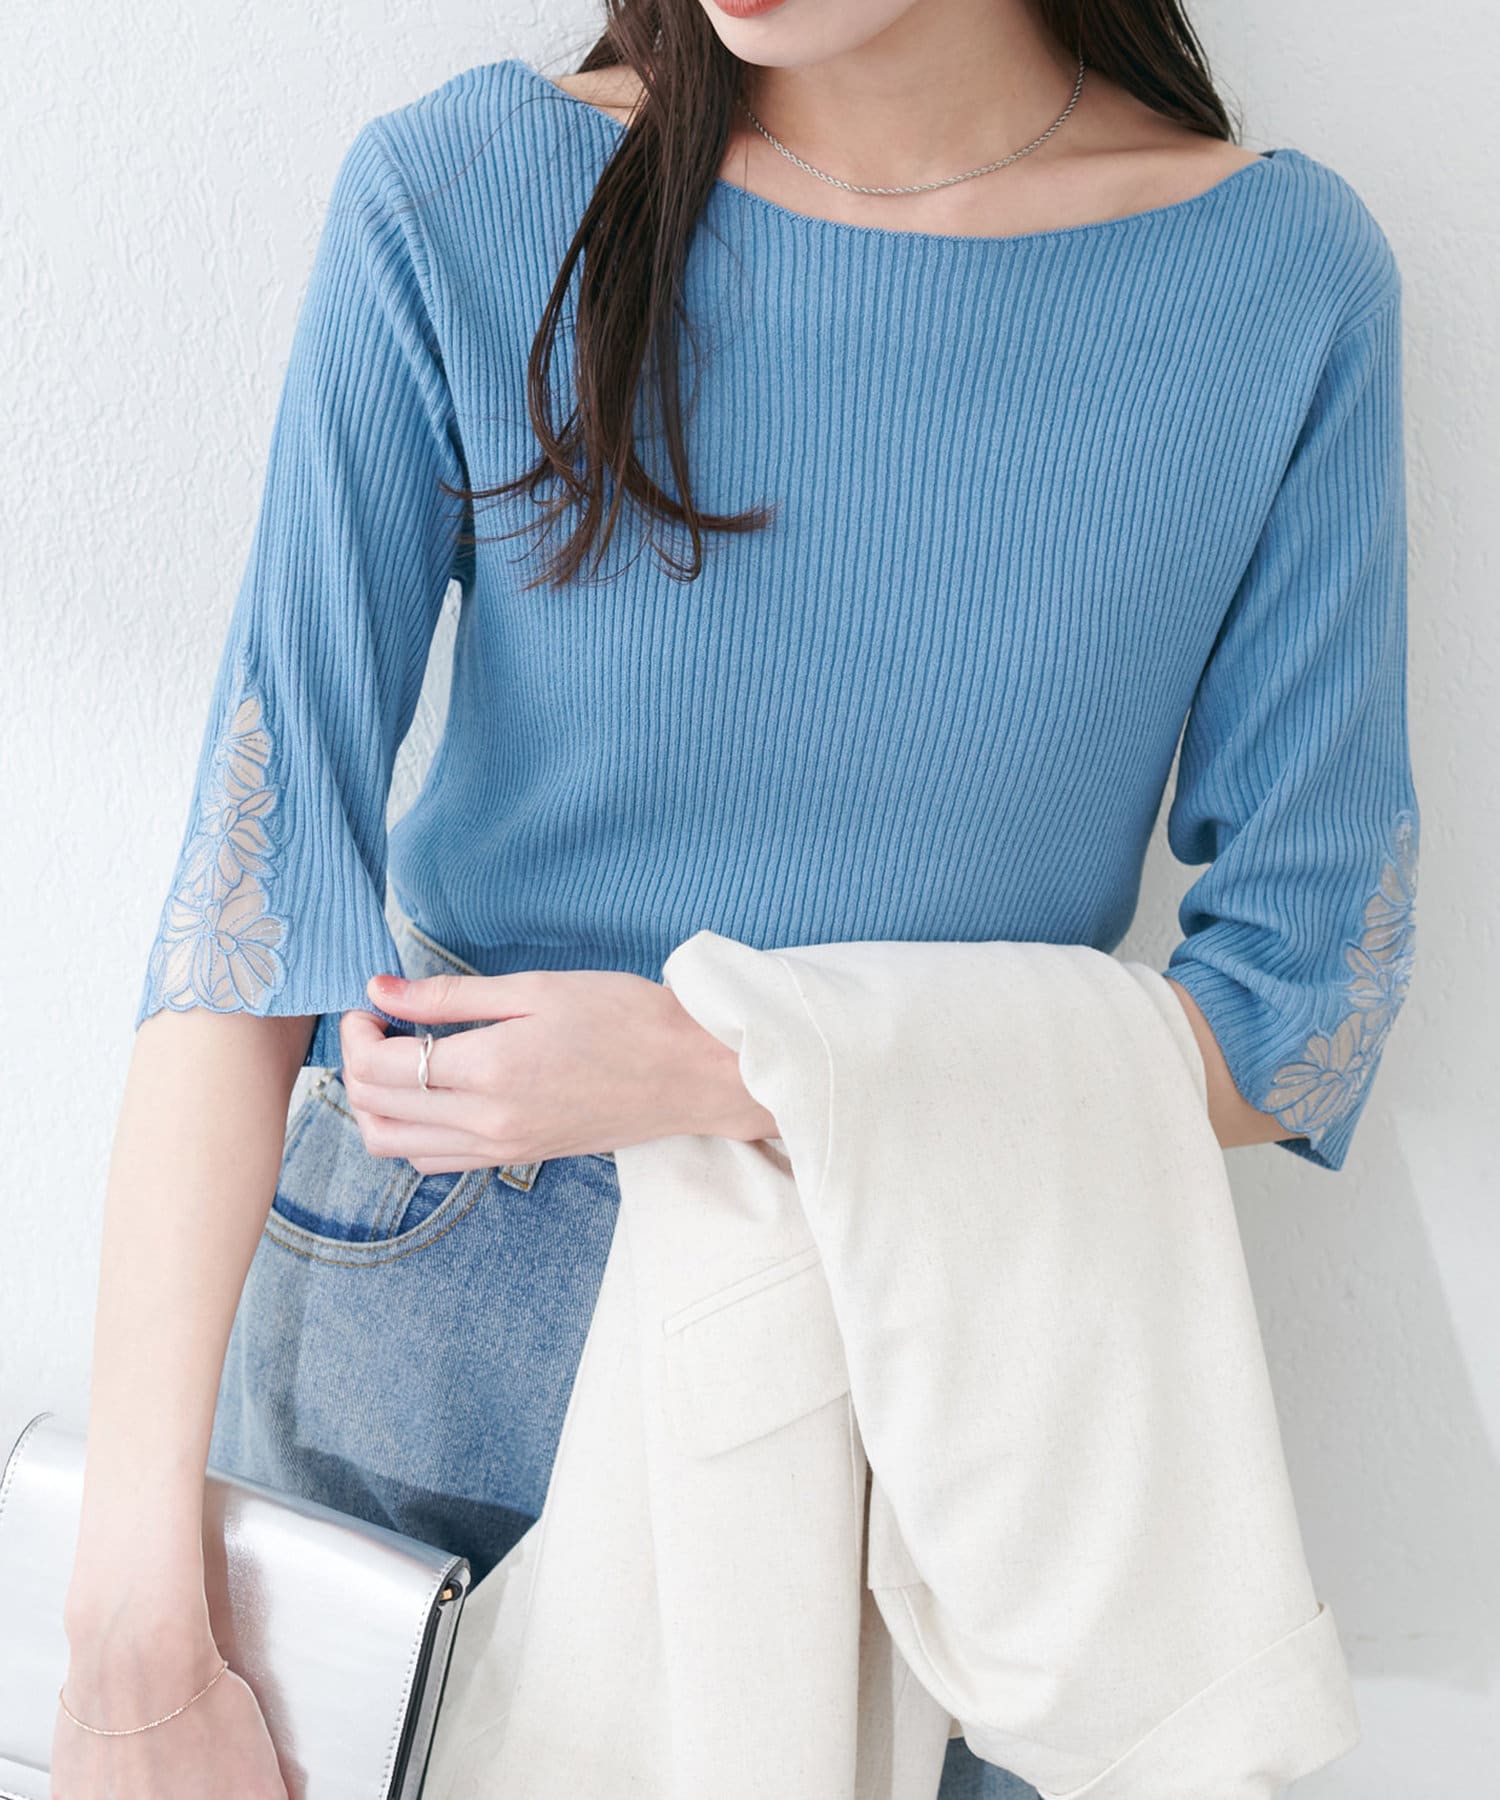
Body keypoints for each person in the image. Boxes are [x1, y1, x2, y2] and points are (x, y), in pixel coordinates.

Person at [53, 0, 1420, 1794]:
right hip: (450, 1323)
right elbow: (251, 907)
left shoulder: (1277, 282)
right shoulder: (465, 191)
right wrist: (125, 1612)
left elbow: (1308, 1013)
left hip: (964, 1372)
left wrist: (734, 1065)